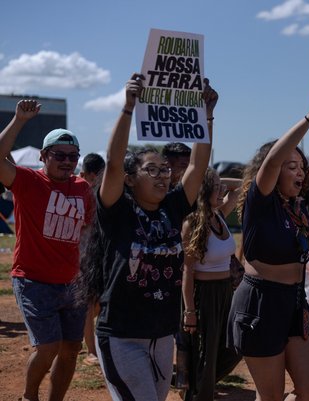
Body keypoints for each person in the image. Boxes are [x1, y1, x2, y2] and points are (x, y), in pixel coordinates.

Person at [226, 89, 309, 401]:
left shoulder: (302, 201)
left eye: (302, 165)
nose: (300, 170)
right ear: (271, 172)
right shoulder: (259, 203)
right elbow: (274, 158)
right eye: (292, 166)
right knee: (270, 395)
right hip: (259, 304)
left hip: (293, 303)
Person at [89, 73, 213, 401]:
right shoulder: (118, 210)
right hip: (121, 335)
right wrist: (128, 107)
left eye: (165, 170)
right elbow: (114, 163)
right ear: (130, 180)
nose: (163, 176)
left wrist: (206, 115)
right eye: (152, 170)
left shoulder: (173, 207)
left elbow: (198, 166)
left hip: (162, 335)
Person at [0, 100, 94, 401]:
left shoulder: (82, 188)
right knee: (48, 346)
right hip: (33, 279)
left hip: (72, 283)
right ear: (43, 156)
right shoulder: (27, 181)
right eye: (59, 155)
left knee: (70, 350)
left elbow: (88, 233)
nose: (67, 161)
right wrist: (18, 120)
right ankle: (29, 397)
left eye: (73, 156)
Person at [181, 168, 242, 401]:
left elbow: (240, 185)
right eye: (215, 187)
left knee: (233, 346)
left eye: (220, 187)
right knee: (205, 354)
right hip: (203, 295)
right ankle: (198, 392)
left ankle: (199, 385)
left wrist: (216, 179)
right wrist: (189, 311)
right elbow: (187, 269)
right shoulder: (193, 222)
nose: (222, 190)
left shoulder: (220, 216)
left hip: (226, 291)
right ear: (204, 190)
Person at [79, 152, 106, 366]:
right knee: (89, 303)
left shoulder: (101, 190)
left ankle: (89, 344)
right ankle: (91, 350)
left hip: (97, 253)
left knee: (95, 303)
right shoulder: (83, 190)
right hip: (84, 254)